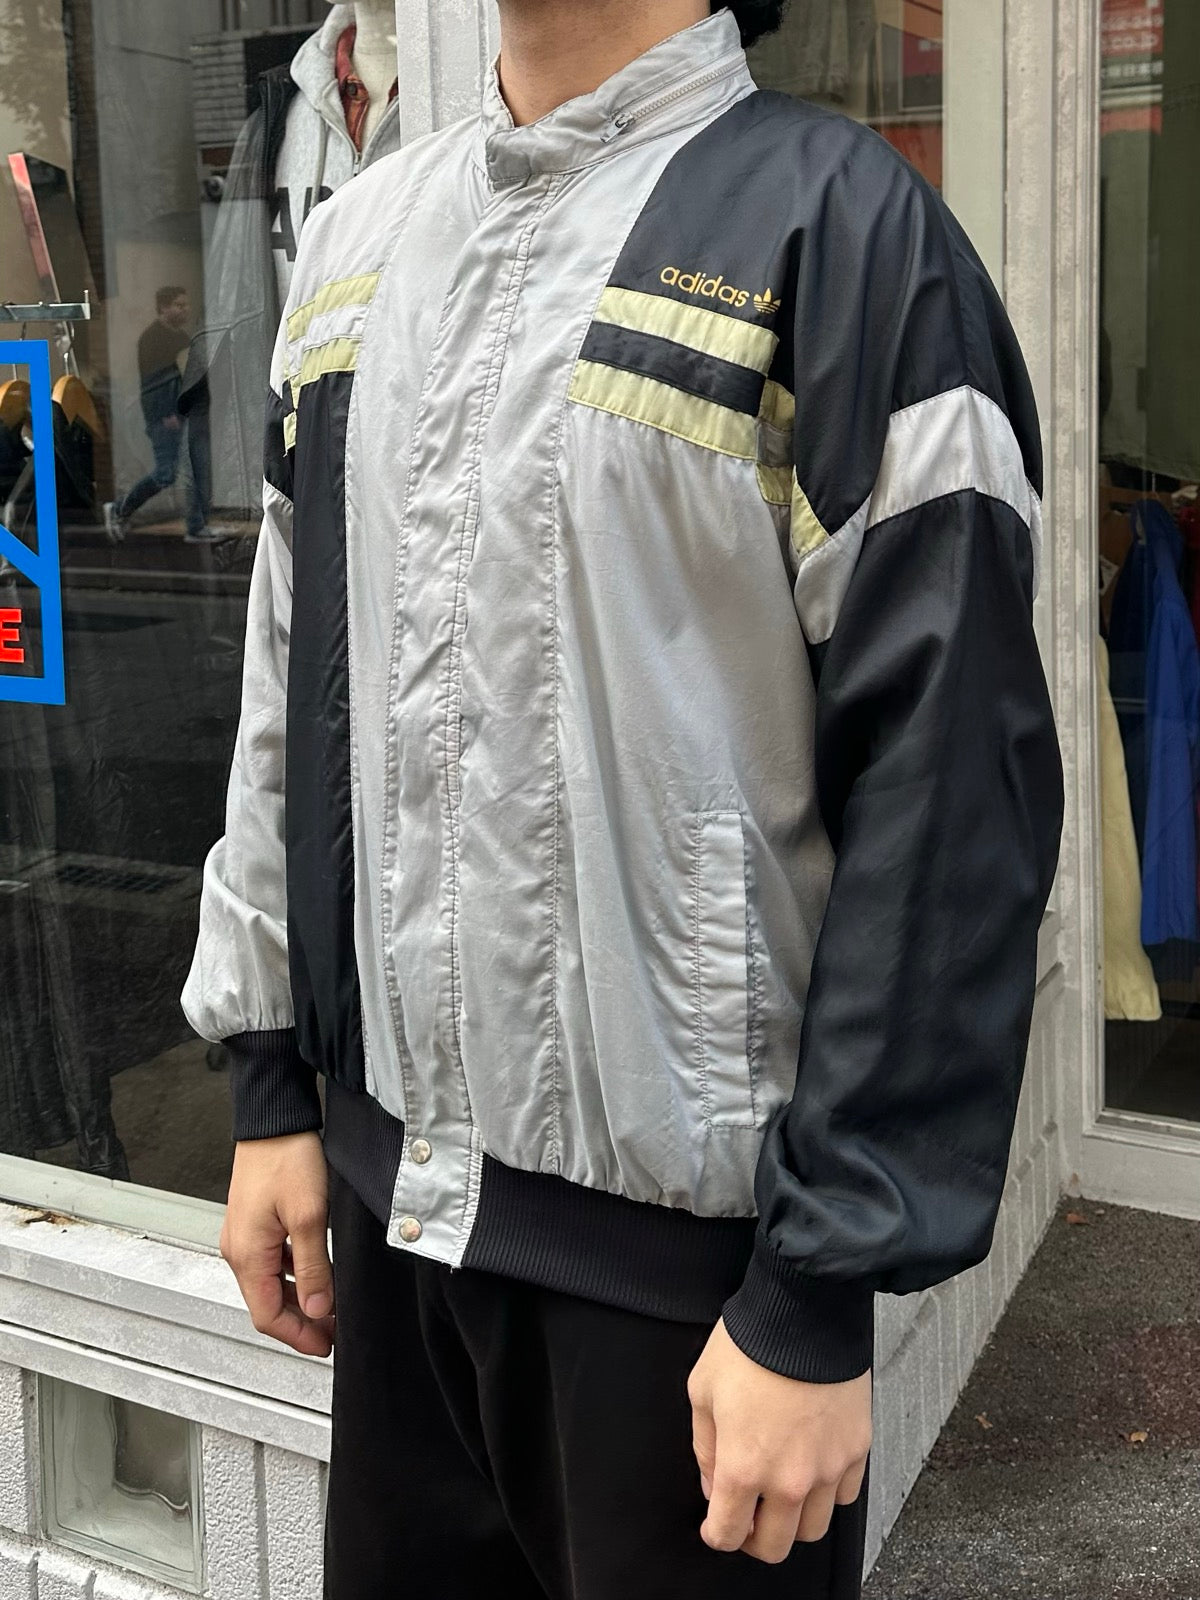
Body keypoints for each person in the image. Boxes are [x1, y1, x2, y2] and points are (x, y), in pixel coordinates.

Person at [182, 3, 1064, 1596]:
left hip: (696, 1301)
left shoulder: (843, 234)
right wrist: (273, 1090)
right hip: (391, 1235)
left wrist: (815, 1290)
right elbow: (291, 678)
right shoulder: (365, 239)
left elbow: (951, 806)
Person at [103, 286, 221, 544]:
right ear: (164, 308)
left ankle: (196, 526)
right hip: (166, 417)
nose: (185, 309)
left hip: (183, 414)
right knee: (166, 473)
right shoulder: (152, 339)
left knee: (195, 470)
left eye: (186, 305)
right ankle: (120, 508)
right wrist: (166, 413)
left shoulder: (181, 338)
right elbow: (154, 383)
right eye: (179, 305)